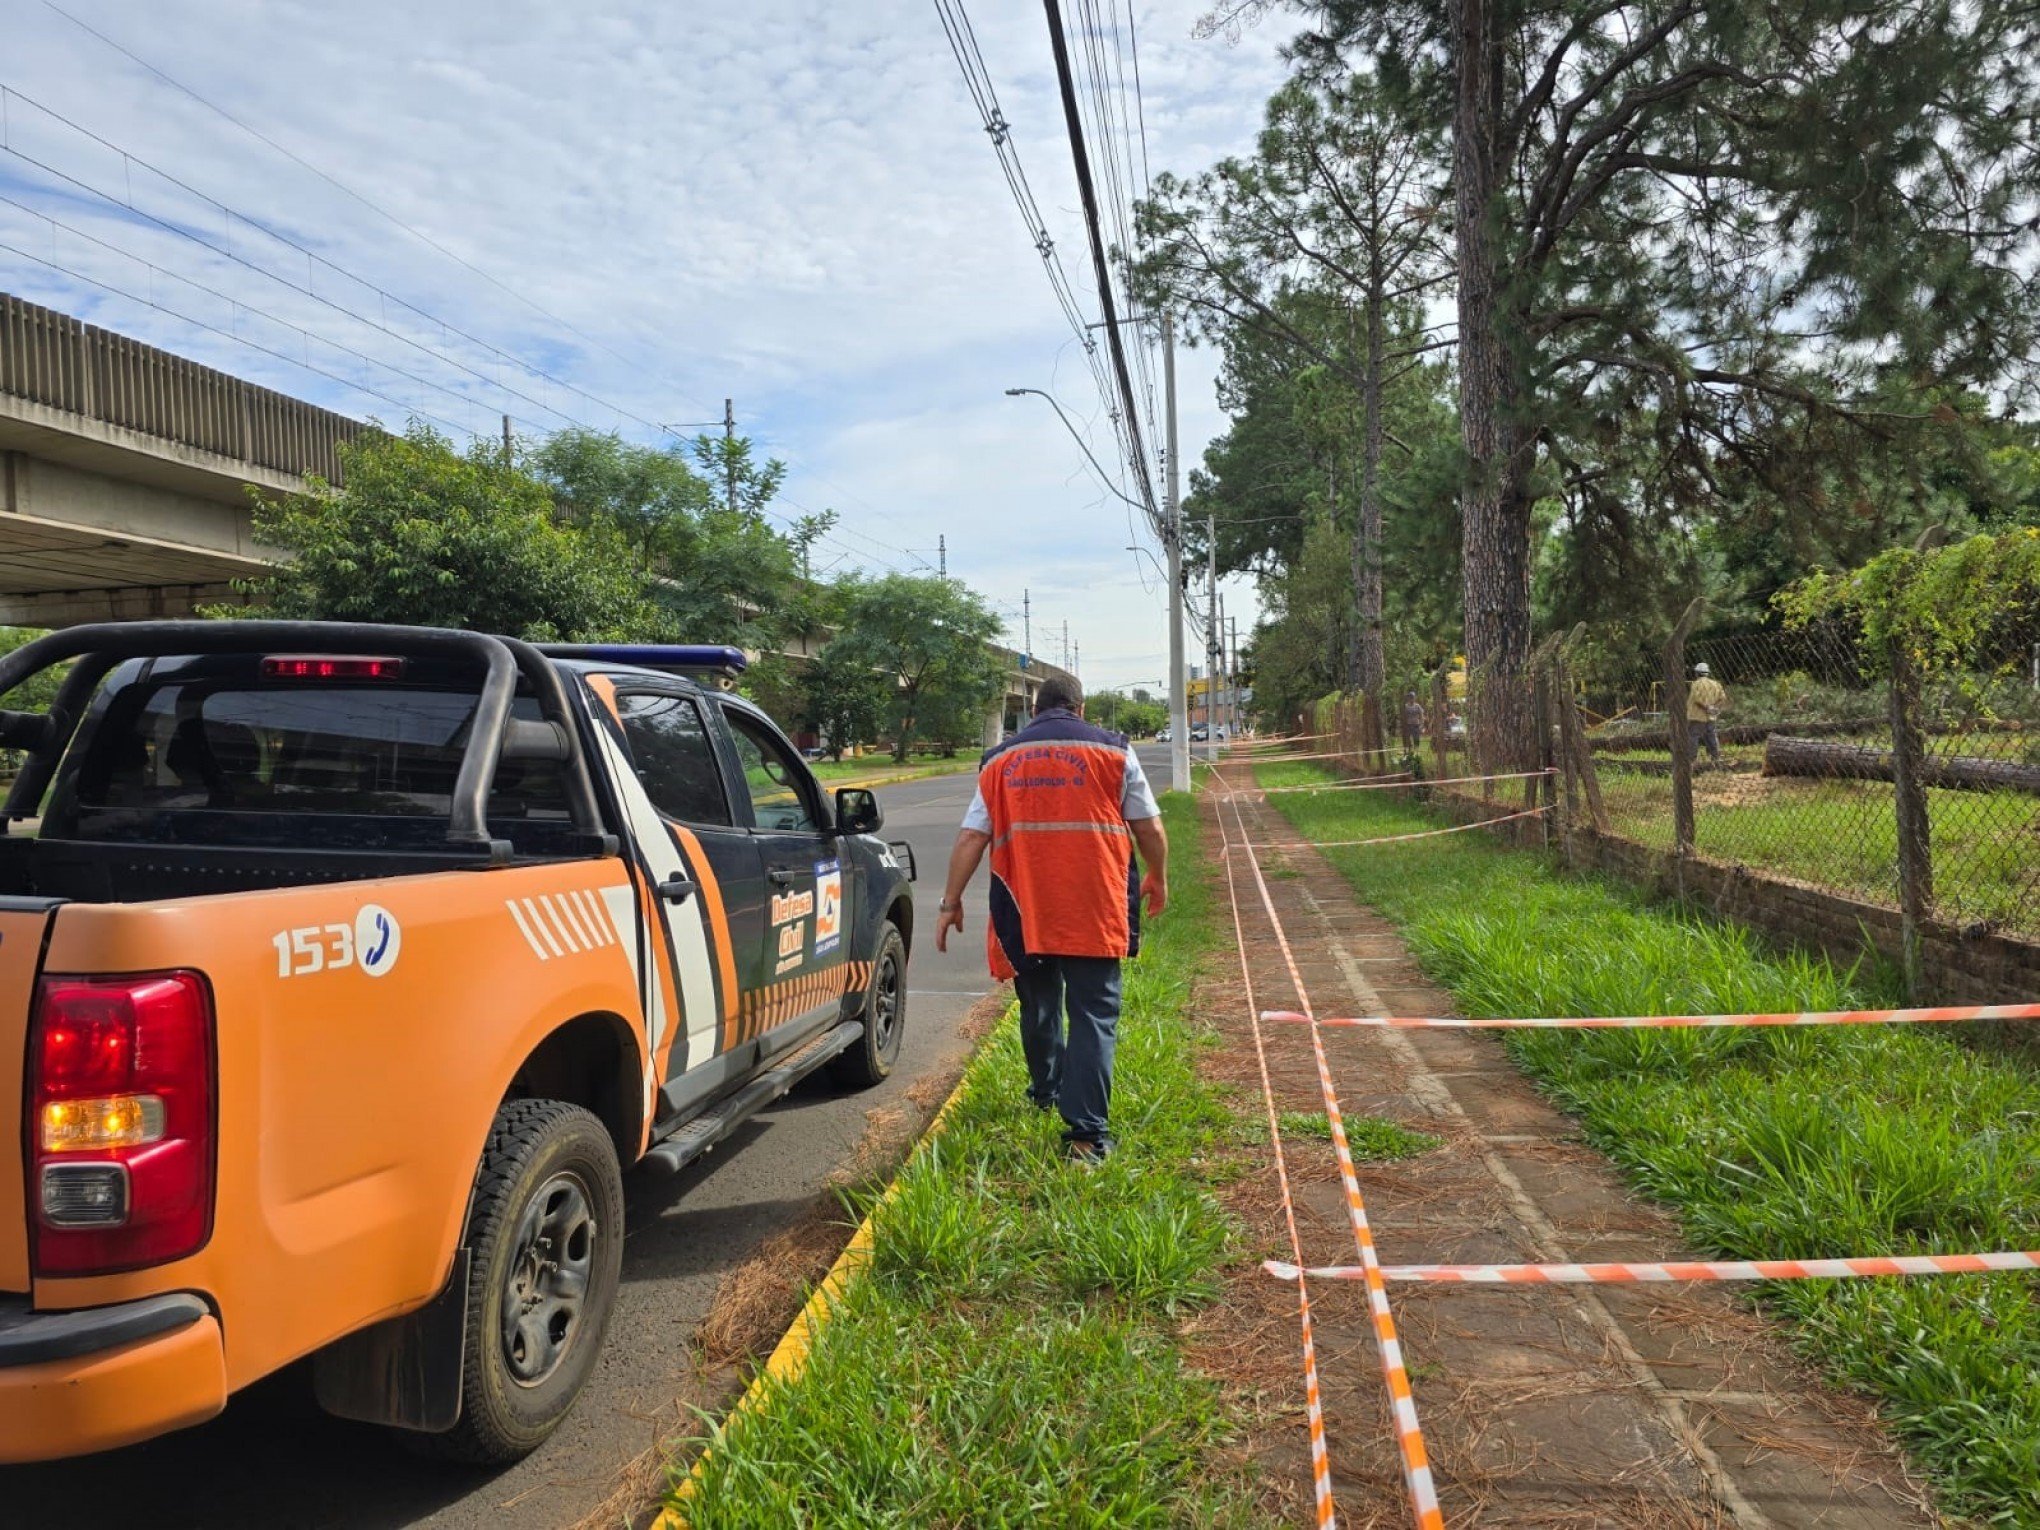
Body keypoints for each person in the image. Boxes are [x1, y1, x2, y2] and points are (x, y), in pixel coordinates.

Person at [935, 675, 1167, 1163]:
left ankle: (1046, 1093)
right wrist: (1158, 877)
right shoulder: (1114, 751)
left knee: (1038, 1004)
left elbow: (971, 837)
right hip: (1095, 907)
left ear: (1036, 709)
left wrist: (950, 901)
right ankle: (1086, 1137)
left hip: (1025, 910)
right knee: (1093, 1014)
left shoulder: (999, 760)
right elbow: (1148, 826)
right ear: (1079, 709)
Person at [1688, 662, 1727, 765]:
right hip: (1711, 716)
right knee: (1711, 735)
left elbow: (1696, 699)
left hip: (1696, 716)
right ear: (1707, 673)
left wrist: (1706, 707)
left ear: (1697, 673)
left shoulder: (1696, 684)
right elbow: (1722, 698)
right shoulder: (1716, 684)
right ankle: (1715, 757)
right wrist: (1713, 707)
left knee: (1693, 736)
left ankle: (1692, 759)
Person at [1399, 690, 1426, 754]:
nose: (1411, 699)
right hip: (1408, 725)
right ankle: (1409, 750)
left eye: (1412, 697)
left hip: (1416, 724)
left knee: (1416, 738)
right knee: (1408, 738)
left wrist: (1422, 725)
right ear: (1408, 698)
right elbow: (1403, 716)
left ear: (1414, 698)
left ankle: (1416, 751)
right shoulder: (1406, 706)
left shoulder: (1417, 706)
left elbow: (1421, 715)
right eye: (1410, 697)